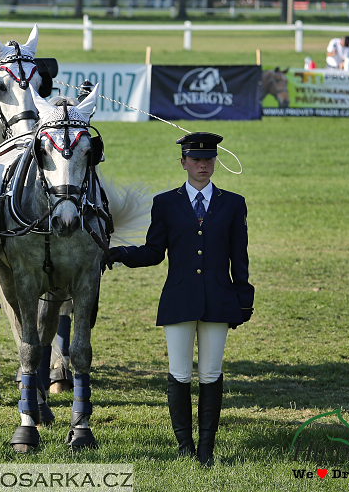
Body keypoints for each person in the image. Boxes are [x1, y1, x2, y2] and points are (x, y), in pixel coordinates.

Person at [103, 132, 254, 466]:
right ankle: (184, 445)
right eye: (196, 159)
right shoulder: (166, 203)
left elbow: (239, 257)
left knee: (211, 374)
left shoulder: (233, 203)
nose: (203, 165)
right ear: (183, 162)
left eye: (209, 159)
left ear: (215, 161)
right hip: (178, 299)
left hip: (219, 299)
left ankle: (206, 449)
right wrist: (117, 253)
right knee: (180, 374)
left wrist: (244, 298)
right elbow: (155, 252)